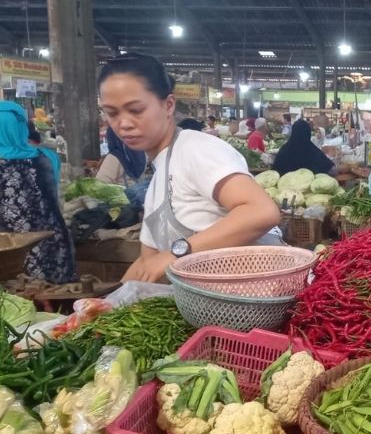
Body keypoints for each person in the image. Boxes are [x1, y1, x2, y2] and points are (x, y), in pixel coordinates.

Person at [97, 53, 281, 283]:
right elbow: (148, 261)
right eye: (112, 113)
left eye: (135, 110)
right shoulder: (159, 175)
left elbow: (262, 211)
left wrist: (178, 251)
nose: (123, 123)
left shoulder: (195, 148)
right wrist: (109, 305)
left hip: (251, 304)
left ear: (168, 105)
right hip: (205, 309)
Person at [0, 101, 75, 284]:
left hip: (11, 253)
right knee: (56, 301)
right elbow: (54, 195)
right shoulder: (48, 157)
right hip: (53, 240)